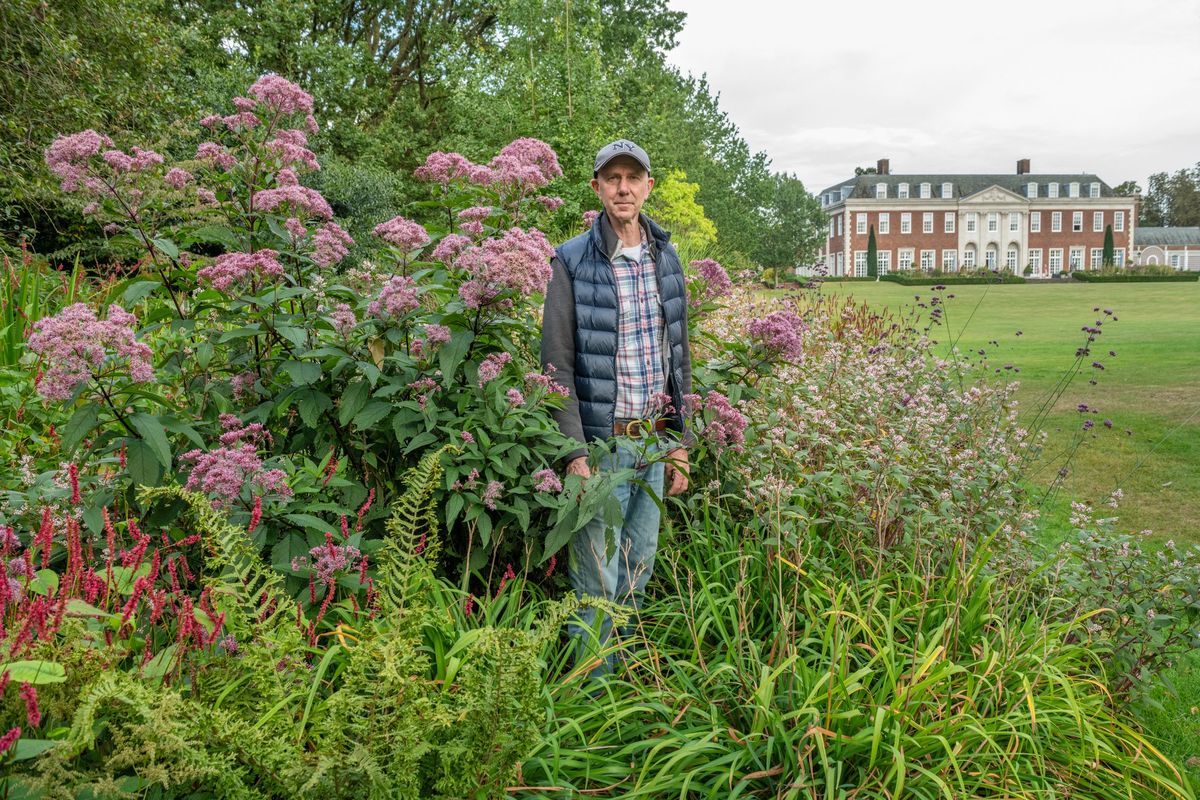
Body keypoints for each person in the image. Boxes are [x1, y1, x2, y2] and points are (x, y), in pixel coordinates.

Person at [541, 139, 693, 674]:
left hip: (654, 442)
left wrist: (680, 444)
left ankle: (623, 675)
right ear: (597, 189)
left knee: (638, 565)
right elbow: (555, 365)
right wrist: (575, 454)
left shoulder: (666, 257)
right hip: (602, 448)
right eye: (612, 179)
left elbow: (679, 360)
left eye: (633, 177)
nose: (623, 188)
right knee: (595, 574)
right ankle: (591, 690)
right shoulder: (571, 260)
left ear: (649, 185)